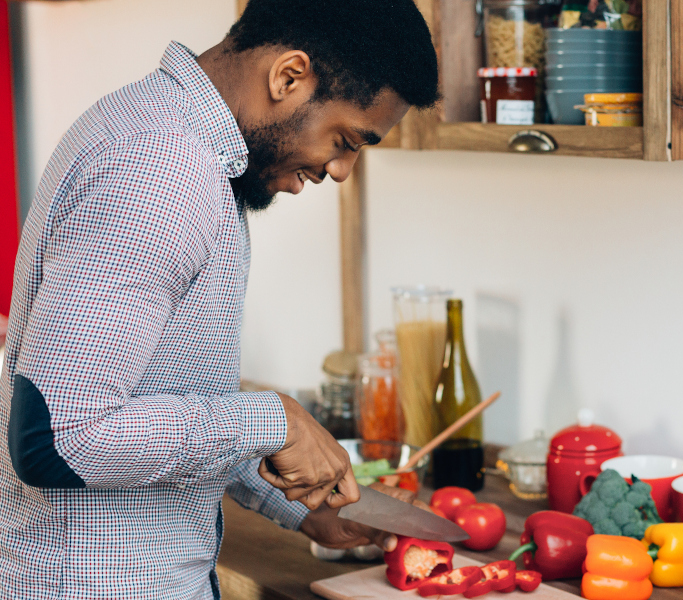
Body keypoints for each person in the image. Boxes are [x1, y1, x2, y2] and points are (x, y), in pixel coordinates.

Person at [0, 0, 439, 598]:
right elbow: (59, 437)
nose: (340, 171)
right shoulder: (162, 168)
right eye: (344, 139)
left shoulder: (169, 137)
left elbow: (161, 401)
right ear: (288, 76)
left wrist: (298, 508)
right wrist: (269, 418)